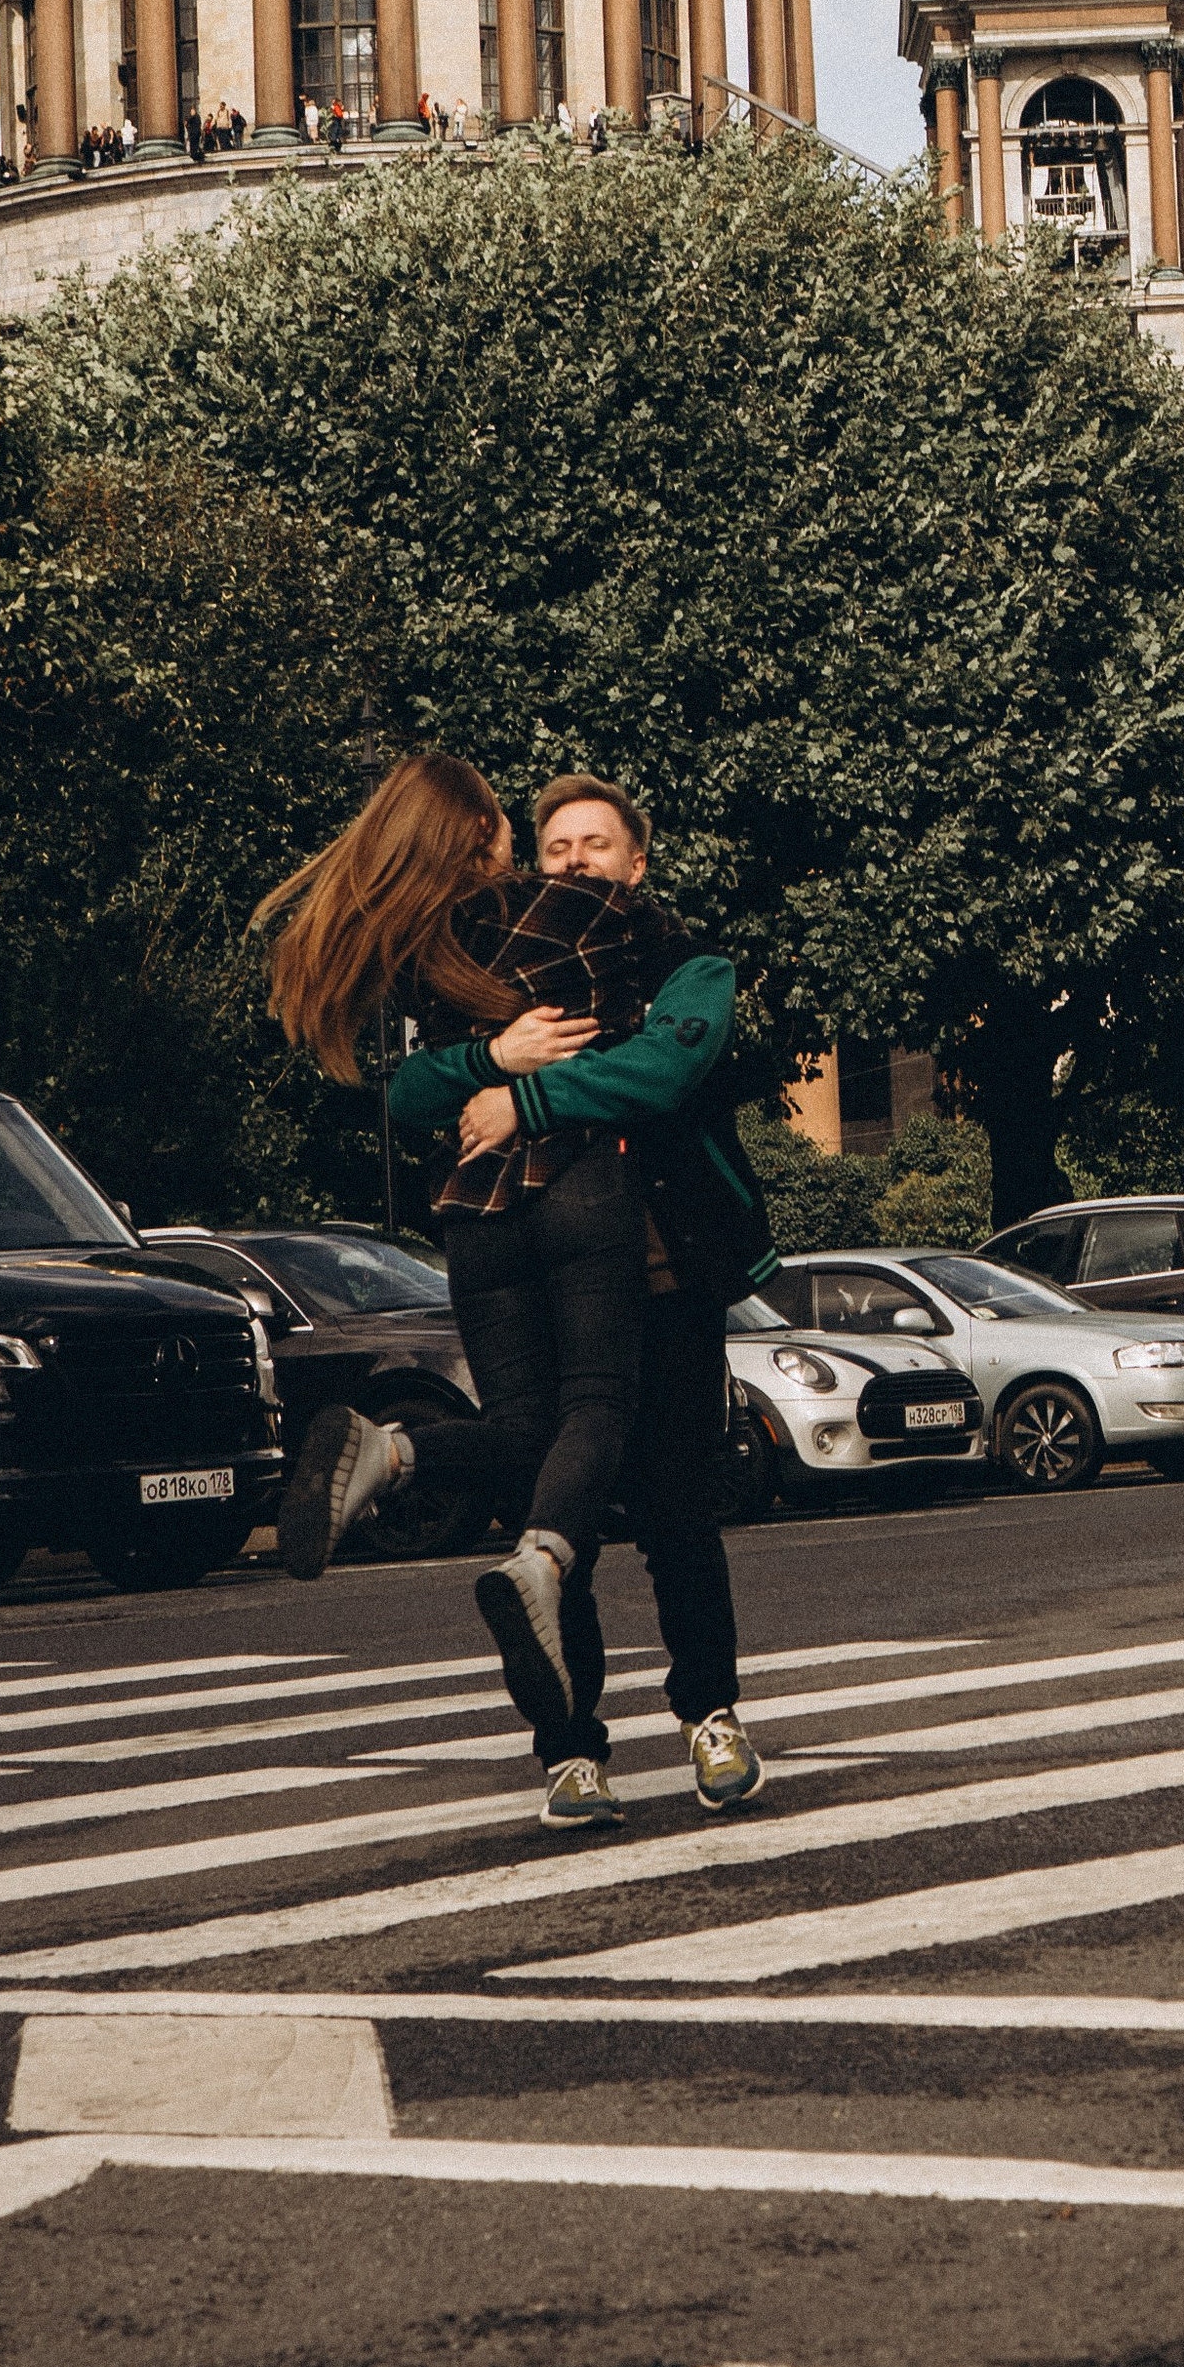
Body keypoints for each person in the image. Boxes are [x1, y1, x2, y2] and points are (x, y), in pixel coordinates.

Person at [256, 753, 678, 1824]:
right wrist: (520, 1058)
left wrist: (484, 1060)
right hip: (578, 1185)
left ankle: (394, 1452)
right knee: (598, 1408)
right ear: (485, 837)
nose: (553, 852)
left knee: (526, 1424)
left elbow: (401, 1092)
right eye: (516, 824)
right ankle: (541, 1562)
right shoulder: (577, 910)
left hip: (473, 1214)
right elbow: (675, 1020)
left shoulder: (417, 948)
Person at [382, 770, 770, 1824]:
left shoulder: (690, 965)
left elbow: (660, 1072)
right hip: (547, 1277)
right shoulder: (491, 972)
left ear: (637, 862)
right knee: (559, 1534)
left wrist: (525, 1098)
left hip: (665, 1277)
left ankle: (710, 1716)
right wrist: (486, 1058)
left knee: (682, 1512)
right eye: (554, 847)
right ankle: (569, 1752)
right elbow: (408, 1092)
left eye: (595, 845)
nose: (572, 862)